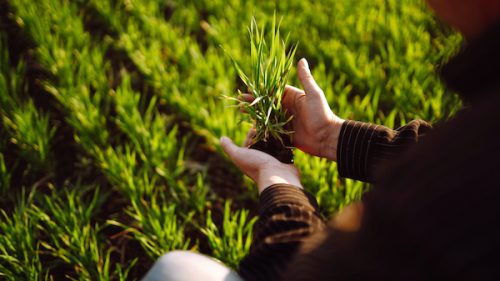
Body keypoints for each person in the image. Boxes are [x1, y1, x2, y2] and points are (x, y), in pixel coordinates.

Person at [143, 0, 500, 280]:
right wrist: (332, 135)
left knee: (176, 270)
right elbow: (439, 158)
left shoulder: (460, 179)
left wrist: (278, 181)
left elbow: (303, 273)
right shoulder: (476, 140)